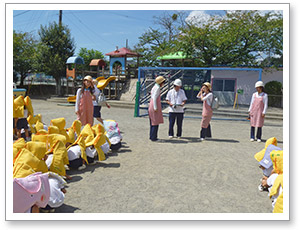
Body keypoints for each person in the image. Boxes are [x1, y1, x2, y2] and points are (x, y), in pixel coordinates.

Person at [148, 76, 166, 141]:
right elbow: (155, 97)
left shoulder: (154, 87)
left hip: (151, 104)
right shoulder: (157, 88)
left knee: (152, 121)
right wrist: (155, 107)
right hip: (154, 105)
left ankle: (151, 136)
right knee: (155, 122)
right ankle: (154, 137)